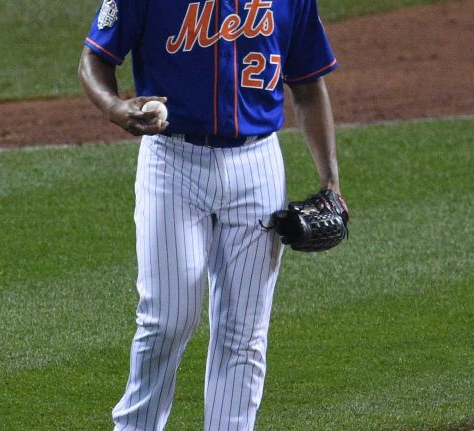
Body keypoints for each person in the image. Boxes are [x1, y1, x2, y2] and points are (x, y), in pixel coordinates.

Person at [78, 0, 343, 430]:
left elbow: (308, 84)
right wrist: (114, 107)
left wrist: (331, 182)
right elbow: (94, 57)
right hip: (172, 160)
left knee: (245, 333)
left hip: (257, 164)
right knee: (167, 320)